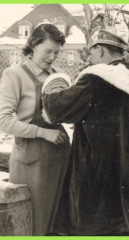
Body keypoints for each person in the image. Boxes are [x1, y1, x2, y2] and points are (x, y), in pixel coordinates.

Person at [40, 14, 129, 236]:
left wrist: (55, 82)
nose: (89, 57)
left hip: (98, 185)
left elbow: (55, 109)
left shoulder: (96, 77)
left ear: (100, 50)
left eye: (90, 52)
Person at [0, 24, 70, 235]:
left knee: (58, 222)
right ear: (32, 46)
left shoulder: (60, 77)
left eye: (56, 52)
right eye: (47, 51)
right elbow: (3, 120)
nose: (52, 57)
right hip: (31, 159)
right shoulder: (15, 74)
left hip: (60, 153)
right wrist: (43, 133)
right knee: (32, 224)